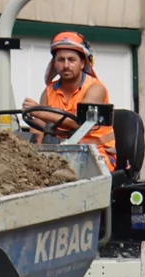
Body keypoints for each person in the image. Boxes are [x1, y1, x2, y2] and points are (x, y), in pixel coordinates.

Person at [24, 30, 116, 172]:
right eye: (61, 60)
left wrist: (40, 112)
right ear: (54, 63)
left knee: (71, 173)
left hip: (97, 154)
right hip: (61, 154)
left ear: (82, 63)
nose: (66, 65)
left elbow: (78, 122)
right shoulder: (49, 92)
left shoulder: (95, 88)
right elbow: (38, 130)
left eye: (71, 60)